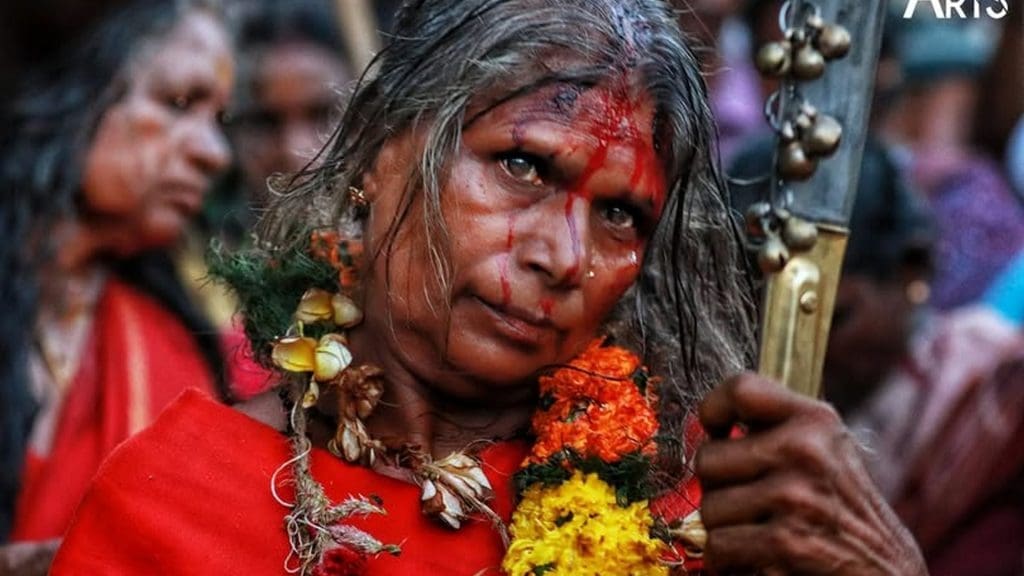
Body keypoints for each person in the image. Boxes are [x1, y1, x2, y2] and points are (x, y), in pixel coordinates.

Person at [51, 1, 926, 574]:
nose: (564, 256)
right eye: (522, 165)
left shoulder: (695, 517)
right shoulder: (172, 497)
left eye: (621, 215)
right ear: (377, 152)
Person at [0, 0, 234, 568]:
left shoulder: (168, 348)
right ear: (69, 93)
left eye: (220, 120)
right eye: (178, 102)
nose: (214, 154)